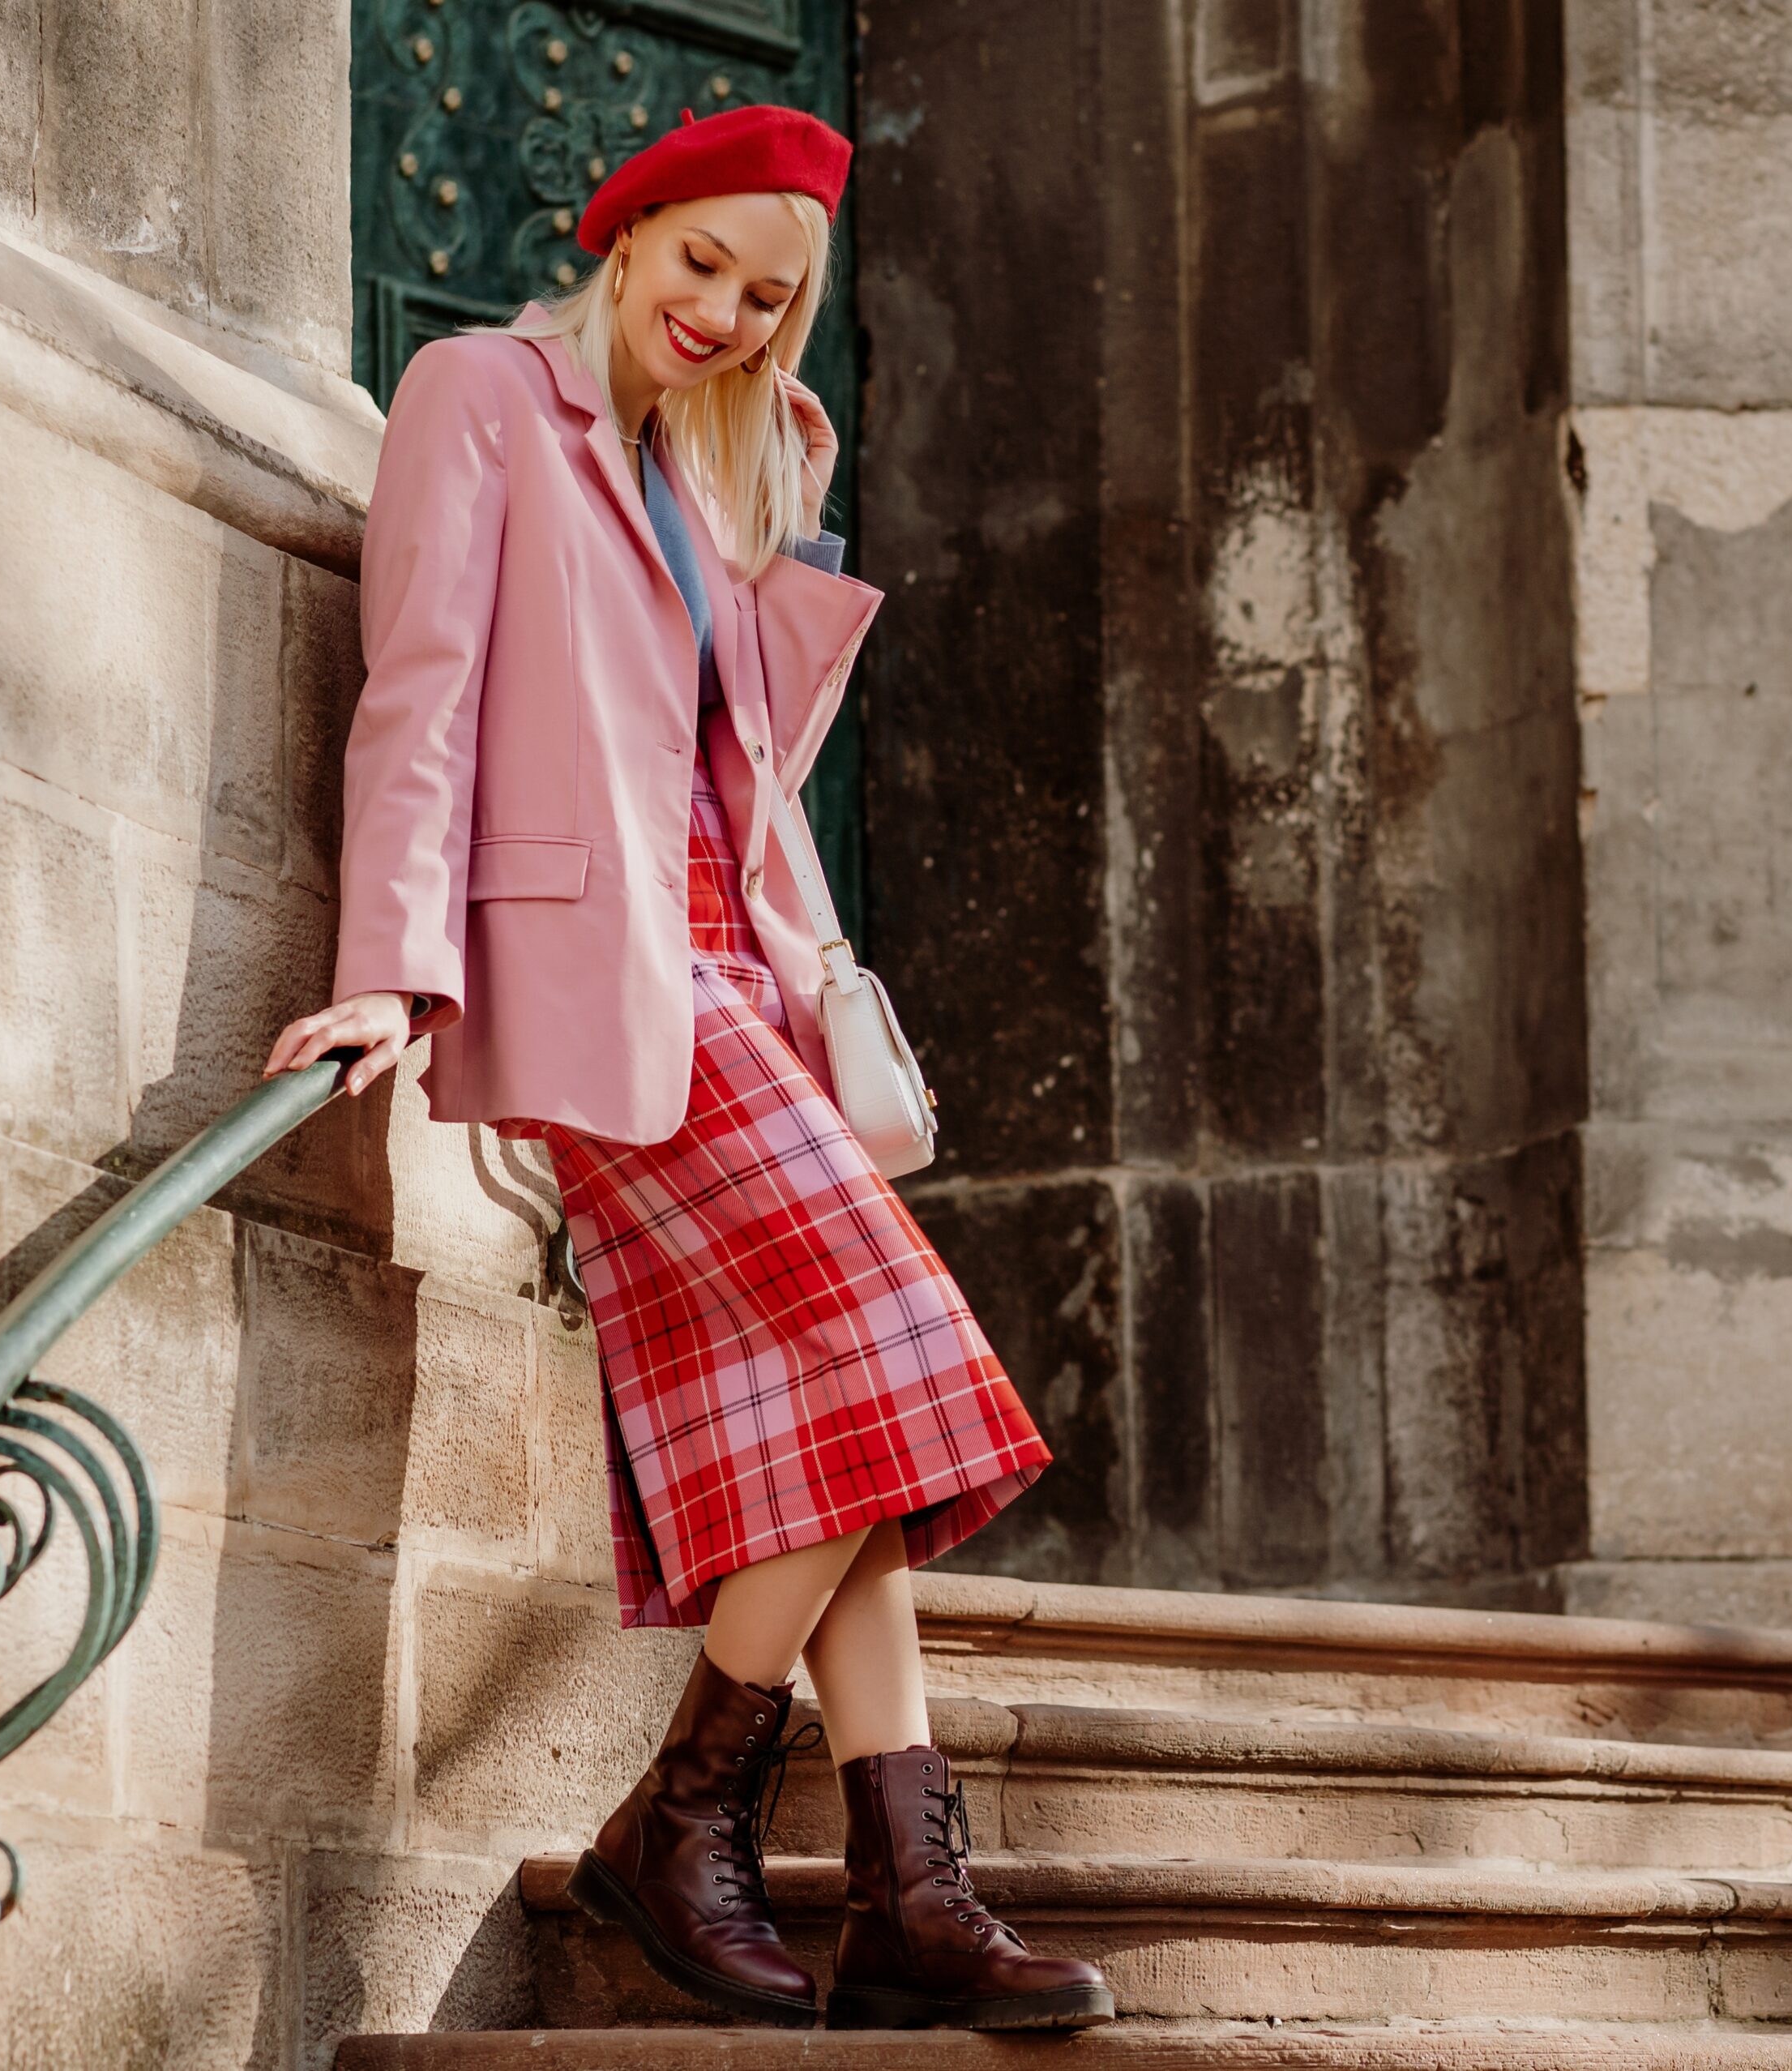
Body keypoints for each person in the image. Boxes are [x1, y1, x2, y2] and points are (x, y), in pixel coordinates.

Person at [260, 105, 1110, 2035]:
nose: (724, 311)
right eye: (701, 263)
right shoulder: (480, 392)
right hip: (592, 978)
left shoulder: (700, 460)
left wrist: (776, 530)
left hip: (738, 970)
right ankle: (686, 1814)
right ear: (627, 232)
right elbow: (423, 688)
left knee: (847, 1437)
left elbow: (743, 763)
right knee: (895, 1351)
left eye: (769, 292)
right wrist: (392, 973)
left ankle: (907, 1891)